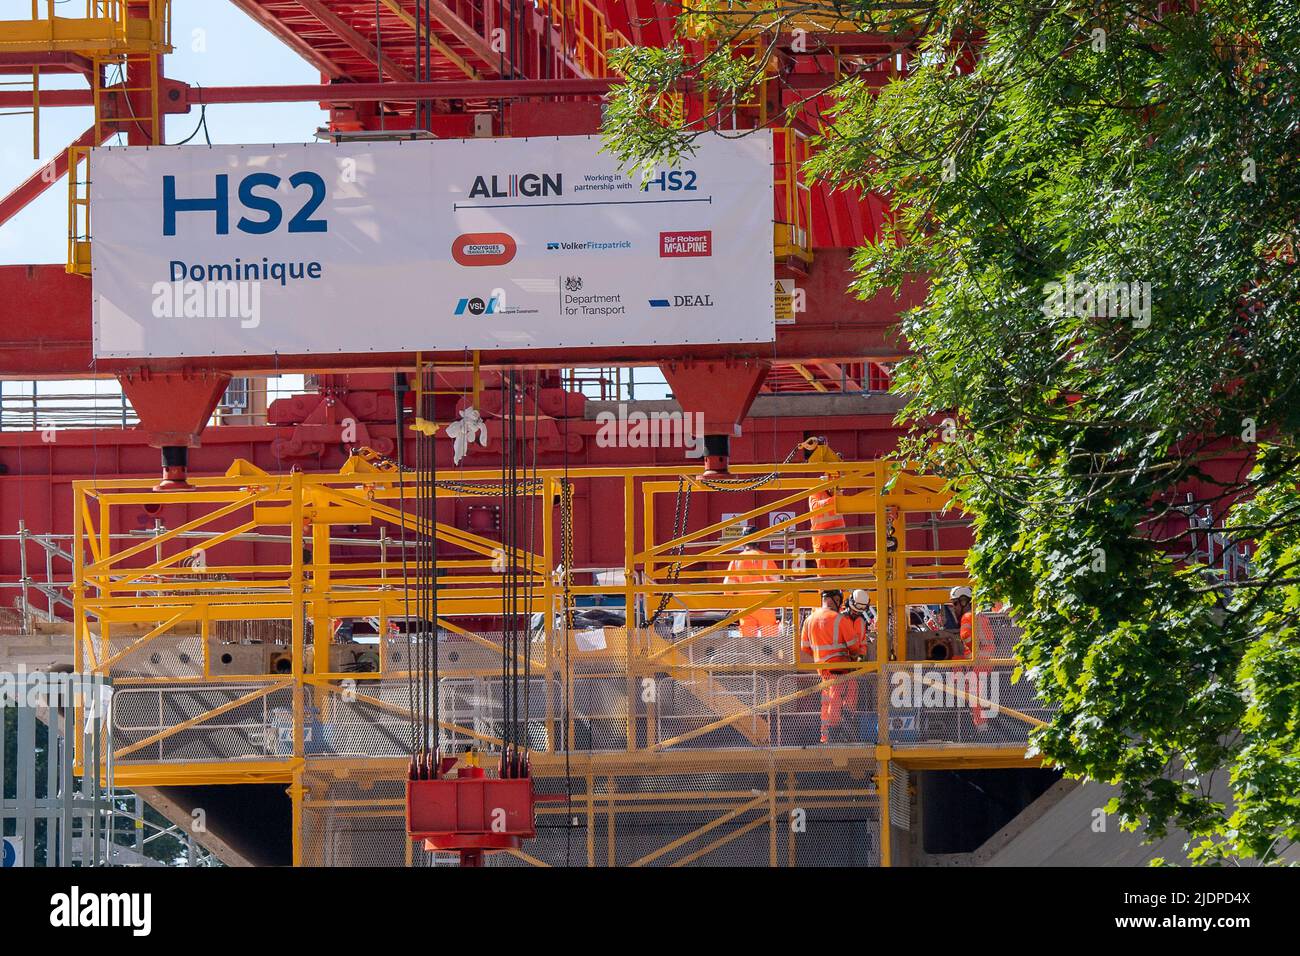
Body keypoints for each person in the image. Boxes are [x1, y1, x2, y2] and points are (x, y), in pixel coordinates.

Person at [799, 588, 869, 743]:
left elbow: (805, 648)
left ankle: (825, 737)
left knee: (827, 703)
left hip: (823, 671)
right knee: (837, 703)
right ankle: (834, 736)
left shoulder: (809, 620)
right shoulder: (839, 619)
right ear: (838, 600)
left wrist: (821, 656)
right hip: (840, 669)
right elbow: (854, 647)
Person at [950, 585, 995, 730]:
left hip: (980, 660)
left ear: (964, 602)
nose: (954, 607)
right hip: (987, 659)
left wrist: (970, 653)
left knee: (973, 693)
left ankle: (981, 727)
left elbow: (965, 636)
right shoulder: (980, 615)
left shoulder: (967, 616)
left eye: (955, 603)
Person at [724, 545, 780, 638]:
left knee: (748, 643)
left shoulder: (737, 559)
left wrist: (731, 603)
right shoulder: (765, 557)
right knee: (770, 641)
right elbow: (776, 580)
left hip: (746, 605)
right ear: (758, 542)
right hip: (765, 604)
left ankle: (750, 652)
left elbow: (727, 585)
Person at [808, 478, 850, 570]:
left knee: (843, 577)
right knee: (828, 578)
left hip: (840, 542)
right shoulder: (816, 492)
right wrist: (833, 499)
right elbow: (815, 507)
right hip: (825, 545)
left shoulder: (835, 494)